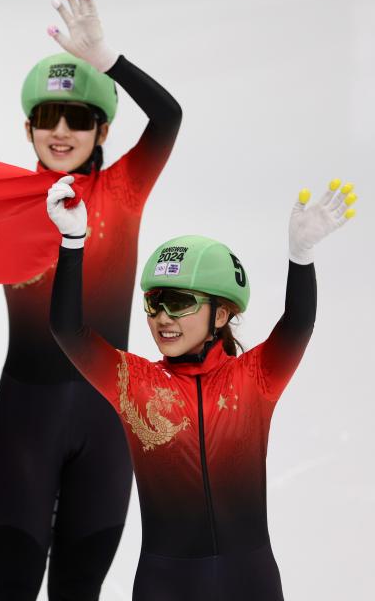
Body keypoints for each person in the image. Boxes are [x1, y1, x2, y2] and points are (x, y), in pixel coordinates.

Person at [0, 0, 181, 599]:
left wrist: (109, 61)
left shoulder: (125, 188)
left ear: (102, 129)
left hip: (110, 421)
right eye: (47, 118)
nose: (60, 132)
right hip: (27, 420)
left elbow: (169, 118)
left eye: (78, 118)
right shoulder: (4, 202)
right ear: (26, 128)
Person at [46, 174, 356, 600]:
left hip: (250, 581)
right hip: (167, 583)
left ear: (221, 315)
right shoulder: (133, 383)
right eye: (154, 303)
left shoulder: (255, 377)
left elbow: (297, 325)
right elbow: (68, 330)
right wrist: (72, 241)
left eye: (179, 303)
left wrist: (300, 257)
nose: (162, 318)